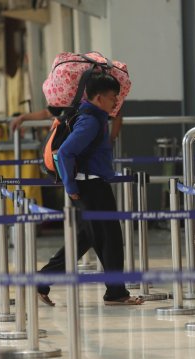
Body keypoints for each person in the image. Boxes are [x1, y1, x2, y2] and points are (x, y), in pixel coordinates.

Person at [37, 73, 143, 306]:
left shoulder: (92, 115)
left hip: (91, 185)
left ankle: (42, 280)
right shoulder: (90, 121)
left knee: (87, 239)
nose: (115, 101)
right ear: (98, 97)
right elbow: (65, 152)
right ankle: (116, 293)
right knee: (111, 239)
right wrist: (71, 186)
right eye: (112, 97)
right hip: (90, 187)